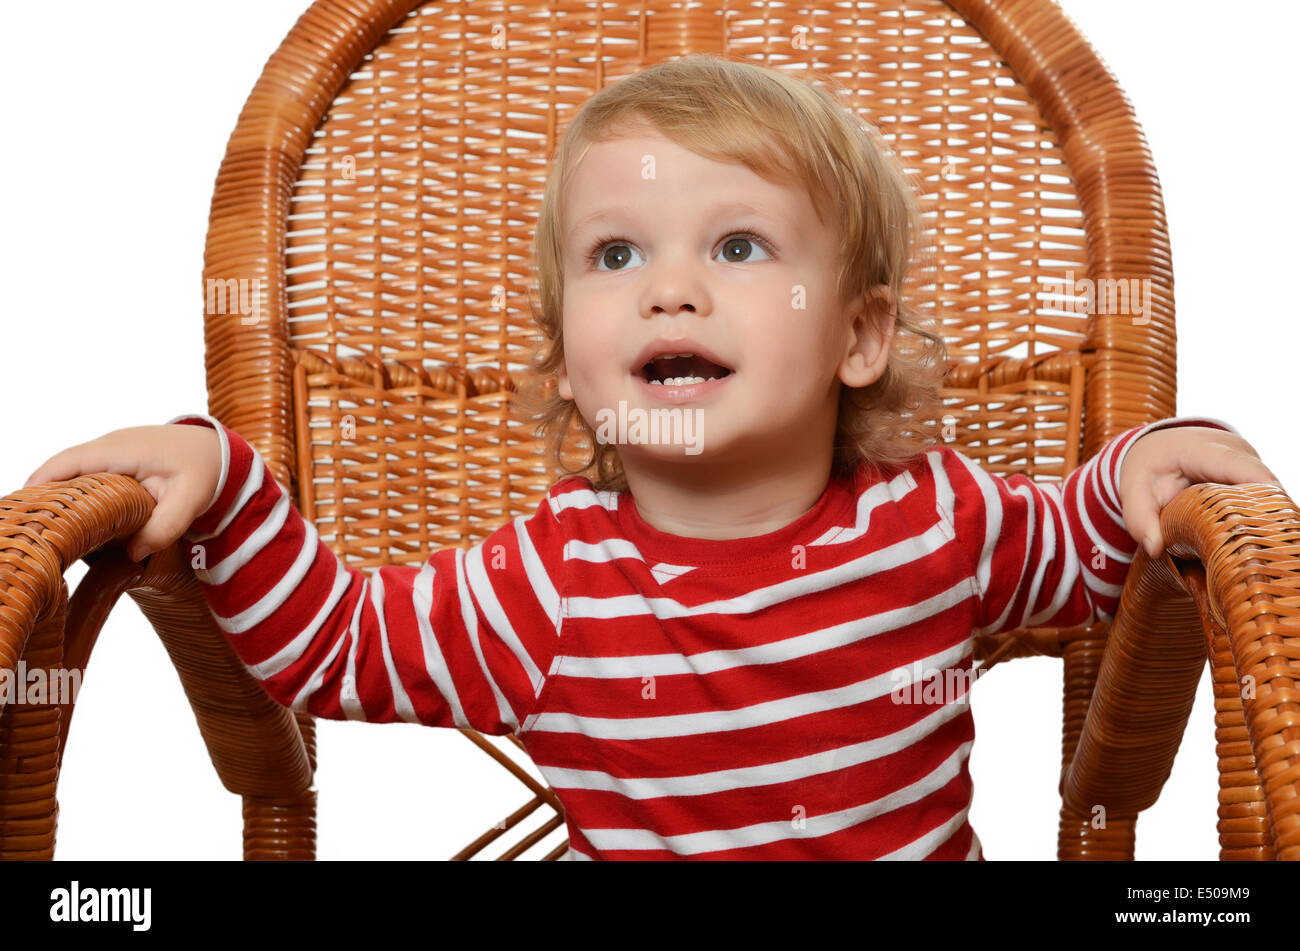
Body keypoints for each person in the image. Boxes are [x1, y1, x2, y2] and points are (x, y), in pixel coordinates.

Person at [23, 55, 1281, 860]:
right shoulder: (548, 584)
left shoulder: (937, 520)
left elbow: (1084, 541)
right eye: (616, 258)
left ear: (856, 336)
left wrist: (1143, 470)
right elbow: (344, 644)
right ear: (567, 363)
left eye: (738, 249)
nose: (670, 291)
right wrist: (229, 488)